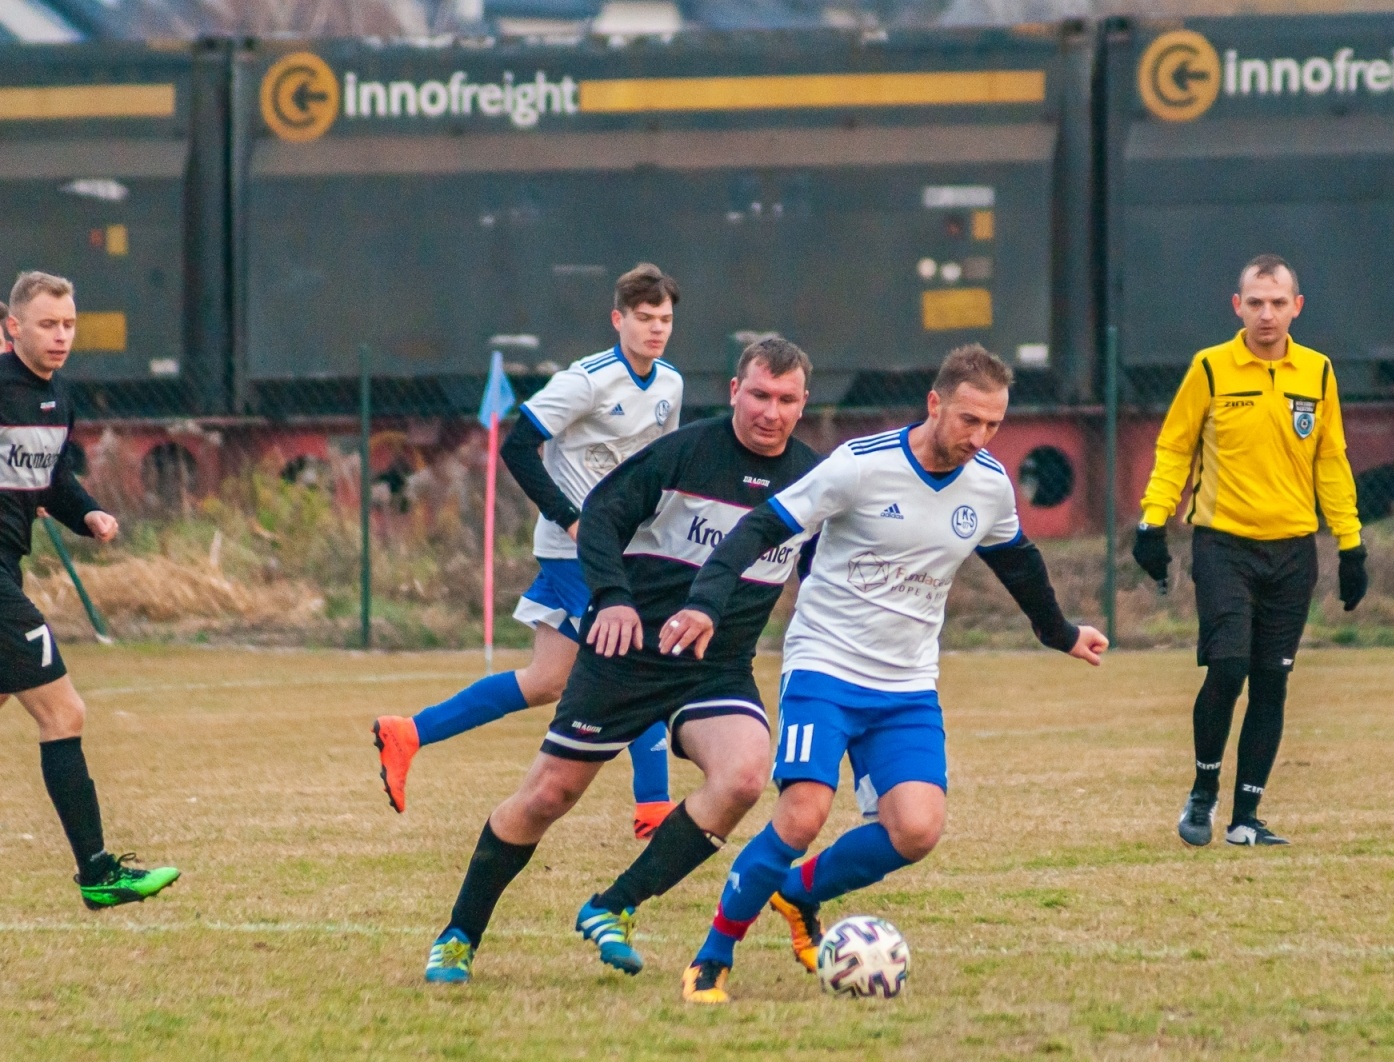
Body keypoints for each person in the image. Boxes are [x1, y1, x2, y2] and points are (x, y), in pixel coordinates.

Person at [664, 344, 1108, 1004]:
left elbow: (1017, 562)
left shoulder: (987, 485)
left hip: (906, 687)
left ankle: (796, 892)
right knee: (804, 812)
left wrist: (1060, 633)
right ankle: (713, 954)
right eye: (968, 420)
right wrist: (705, 600)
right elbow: (763, 525)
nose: (980, 438)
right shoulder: (860, 467)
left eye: (993, 425)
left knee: (918, 828)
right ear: (935, 404)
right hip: (825, 666)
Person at [422, 337, 819, 984]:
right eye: (759, 395)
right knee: (548, 795)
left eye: (785, 399)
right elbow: (602, 516)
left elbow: (827, 568)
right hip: (626, 655)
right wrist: (611, 598)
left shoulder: (813, 480)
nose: (770, 411)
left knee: (745, 777)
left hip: (714, 668)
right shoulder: (685, 452)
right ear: (734, 391)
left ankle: (616, 906)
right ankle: (460, 933)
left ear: (804, 404)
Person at [372, 264, 683, 839]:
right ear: (619, 320)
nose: (656, 329)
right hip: (577, 555)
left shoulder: (670, 384)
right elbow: (519, 447)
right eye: (644, 318)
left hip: (628, 550)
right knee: (634, 659)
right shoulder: (585, 381)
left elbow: (659, 471)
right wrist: (568, 519)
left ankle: (408, 733)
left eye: (665, 319)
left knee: (545, 681)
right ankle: (655, 809)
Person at [1132, 253, 1366, 849]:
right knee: (1228, 665)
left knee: (1272, 680)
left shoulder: (1317, 373)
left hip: (1293, 552)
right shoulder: (1210, 369)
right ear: (1237, 306)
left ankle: (1246, 819)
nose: (1267, 314)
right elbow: (1175, 449)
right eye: (1255, 303)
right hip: (1223, 544)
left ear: (1297, 307)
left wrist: (1351, 542)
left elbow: (1332, 461)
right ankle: (1203, 794)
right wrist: (1152, 522)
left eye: (1278, 303)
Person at [0, 271, 180, 908]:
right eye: (48, 324)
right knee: (63, 713)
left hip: (7, 569)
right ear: (13, 326)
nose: (61, 336)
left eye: (69, 324)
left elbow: (49, 481)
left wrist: (89, 514)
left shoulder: (56, 400)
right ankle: (99, 873)